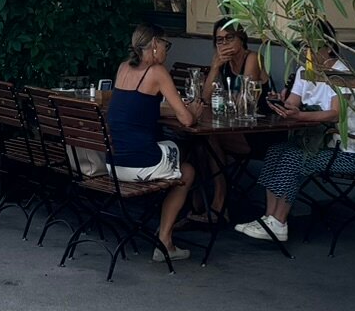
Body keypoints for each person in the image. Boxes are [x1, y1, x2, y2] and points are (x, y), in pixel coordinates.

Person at [234, 48, 355, 244]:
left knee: (293, 157)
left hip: (347, 153)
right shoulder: (304, 71)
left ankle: (279, 222)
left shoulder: (341, 72)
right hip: (317, 144)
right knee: (276, 151)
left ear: (327, 46)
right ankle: (268, 218)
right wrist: (282, 104)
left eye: (311, 45)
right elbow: (292, 104)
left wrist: (300, 115)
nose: (306, 51)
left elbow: (335, 113)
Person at [106, 25, 201, 262]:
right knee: (187, 170)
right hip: (140, 165)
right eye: (166, 45)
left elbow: (135, 105)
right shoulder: (157, 72)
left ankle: (165, 229)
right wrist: (195, 111)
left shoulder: (122, 68)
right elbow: (187, 120)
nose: (167, 51)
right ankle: (165, 241)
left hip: (113, 164)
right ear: (155, 44)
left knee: (174, 154)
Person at [190, 22, 269, 220]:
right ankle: (198, 204)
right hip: (231, 129)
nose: (224, 43)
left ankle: (219, 203)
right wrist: (215, 67)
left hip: (259, 132)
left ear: (241, 39)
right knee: (197, 144)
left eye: (229, 38)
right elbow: (206, 99)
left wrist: (223, 97)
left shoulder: (253, 58)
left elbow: (245, 96)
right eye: (219, 40)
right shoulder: (222, 63)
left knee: (208, 140)